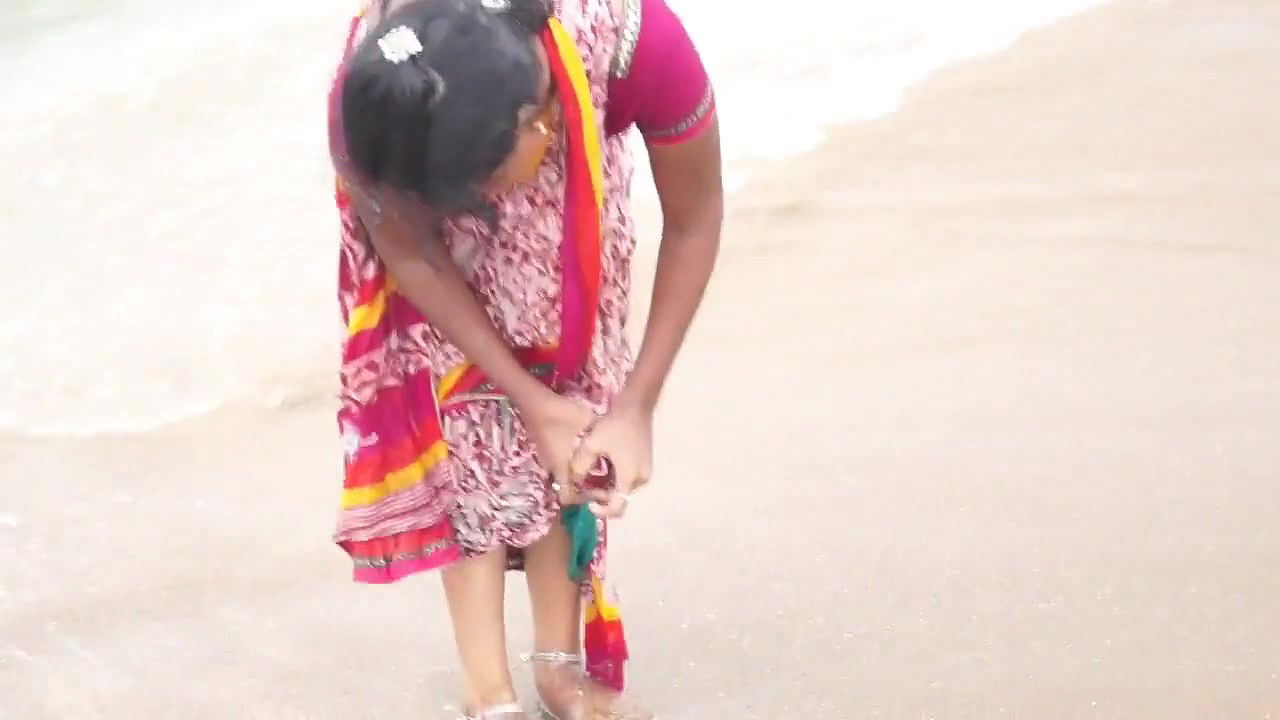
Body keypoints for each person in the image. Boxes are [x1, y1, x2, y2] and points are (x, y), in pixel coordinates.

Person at [327, 0, 721, 716]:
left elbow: (694, 221)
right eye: (462, 194)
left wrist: (634, 408)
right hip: (444, 281)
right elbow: (410, 247)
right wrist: (524, 398)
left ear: (541, 119)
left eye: (483, 182)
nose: (483, 201)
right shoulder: (381, 98)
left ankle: (557, 664)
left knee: (572, 423)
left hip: (573, 245)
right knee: (467, 442)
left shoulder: (637, 41)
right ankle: (488, 692)